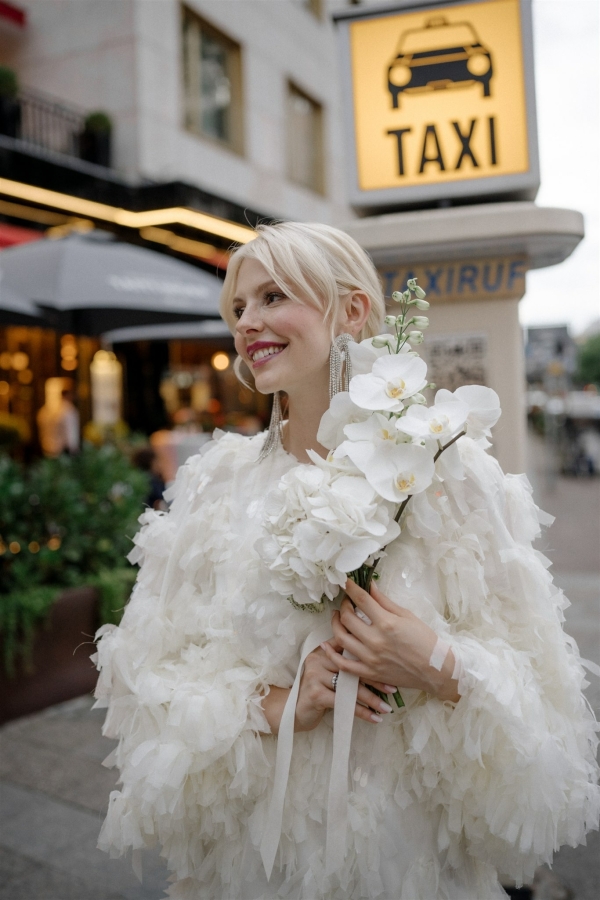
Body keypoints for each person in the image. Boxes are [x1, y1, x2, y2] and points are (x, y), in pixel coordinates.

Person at [93, 223, 599, 900]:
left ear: (352, 309)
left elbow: (546, 698)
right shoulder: (217, 485)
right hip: (261, 861)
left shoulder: (449, 471)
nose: (247, 323)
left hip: (414, 856)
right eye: (239, 307)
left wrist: (438, 663)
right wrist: (276, 704)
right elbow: (148, 674)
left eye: (273, 297)